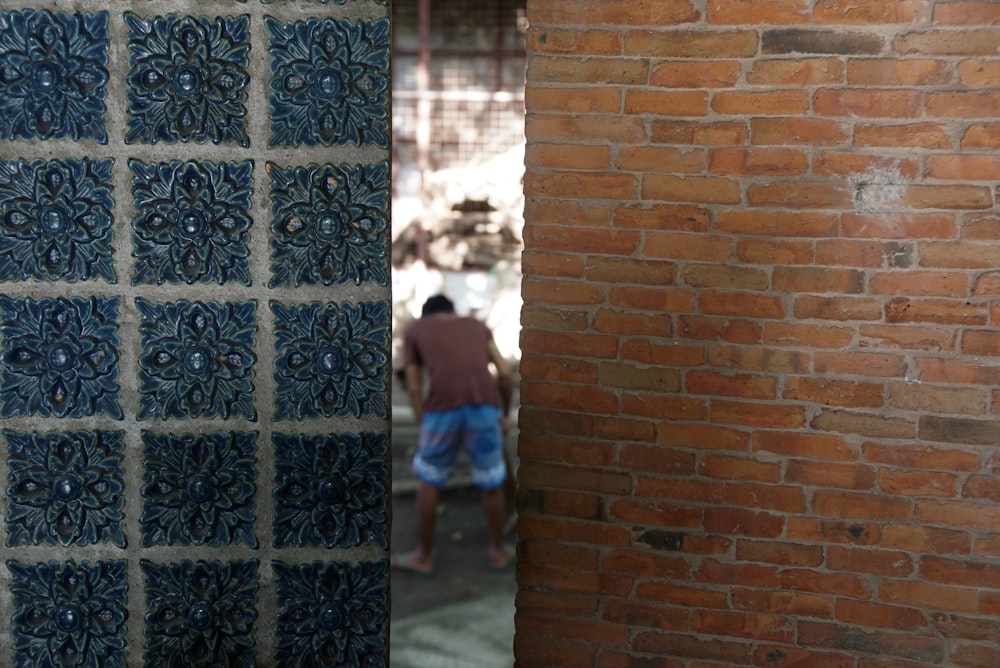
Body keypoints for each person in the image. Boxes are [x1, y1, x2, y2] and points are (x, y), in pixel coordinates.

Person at [392, 293, 515, 575]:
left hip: (441, 412)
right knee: (492, 481)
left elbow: (413, 387)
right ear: (452, 311)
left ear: (427, 315)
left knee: (430, 481)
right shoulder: (475, 324)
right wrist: (505, 415)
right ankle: (497, 551)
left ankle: (424, 557)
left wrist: (424, 423)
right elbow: (505, 374)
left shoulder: (417, 330)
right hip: (484, 409)